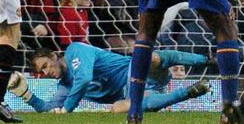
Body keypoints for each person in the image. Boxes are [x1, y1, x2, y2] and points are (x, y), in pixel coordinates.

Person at [13, 44, 209, 113]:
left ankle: (205, 59)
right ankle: (188, 92)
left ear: (54, 56)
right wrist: (27, 95)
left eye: (45, 65)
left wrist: (67, 108)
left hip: (137, 71)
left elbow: (84, 78)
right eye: (41, 72)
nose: (46, 72)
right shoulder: (65, 86)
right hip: (134, 93)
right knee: (118, 108)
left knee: (149, 57)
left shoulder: (75, 50)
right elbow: (48, 109)